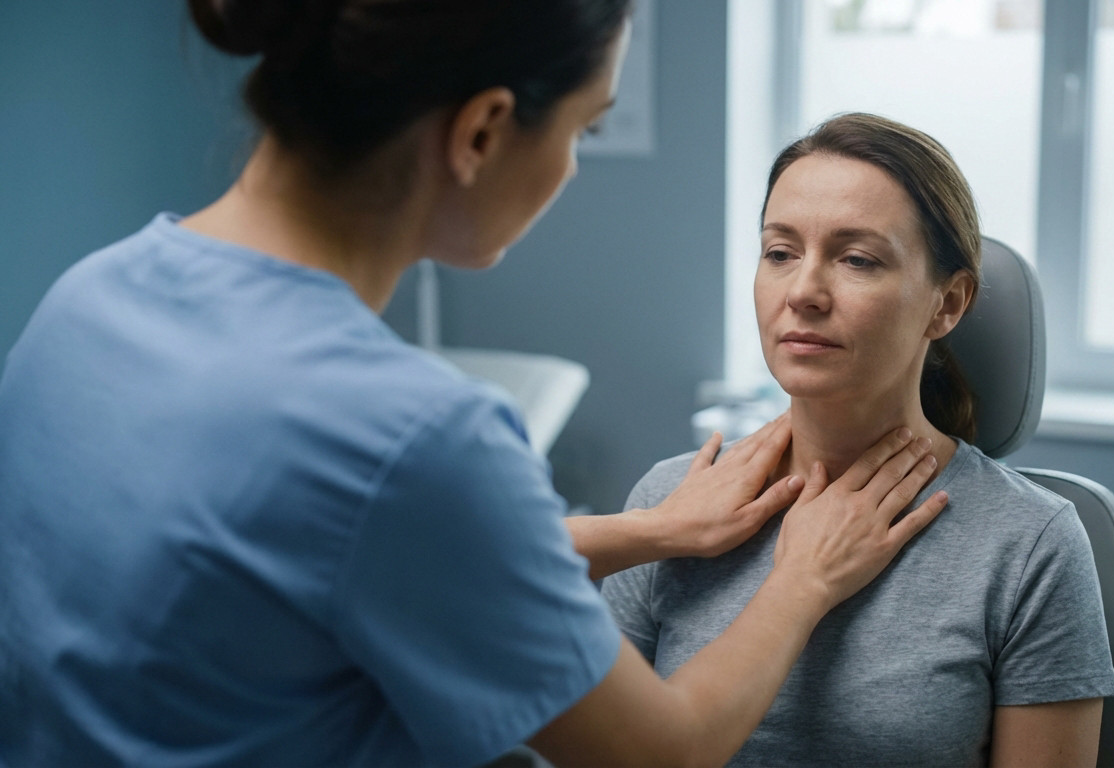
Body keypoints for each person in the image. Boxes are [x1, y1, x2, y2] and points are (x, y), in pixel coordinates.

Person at [0, 6, 954, 767]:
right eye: (585, 127)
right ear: (484, 130)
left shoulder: (87, 301)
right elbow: (660, 752)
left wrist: (644, 534)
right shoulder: (412, 435)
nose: (573, 166)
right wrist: (803, 579)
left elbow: (307, 548)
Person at [601, 113, 1114, 767]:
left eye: (857, 259)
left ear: (948, 303)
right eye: (780, 252)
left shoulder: (1029, 545)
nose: (804, 292)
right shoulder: (668, 499)